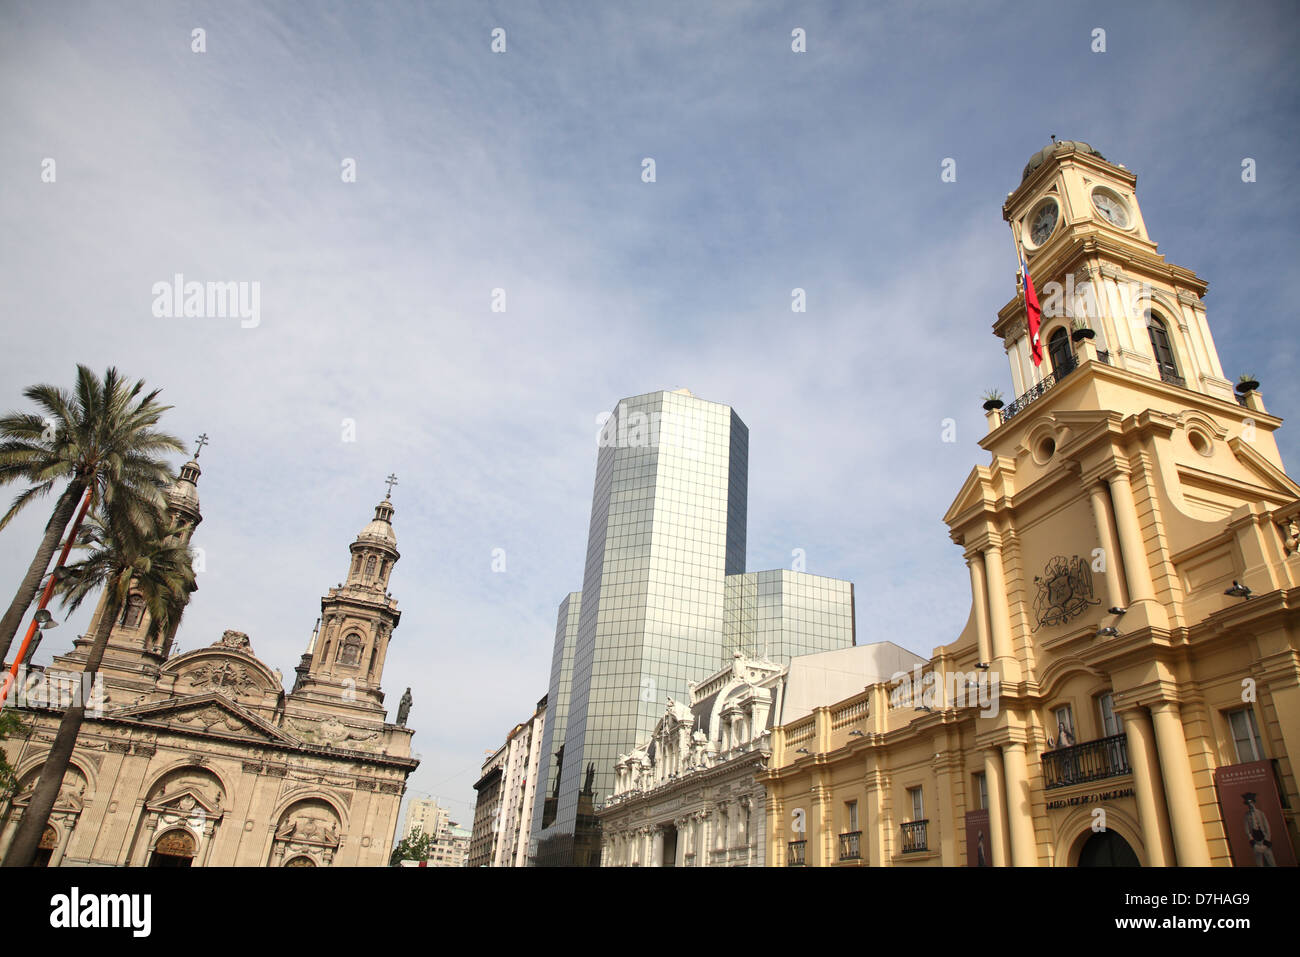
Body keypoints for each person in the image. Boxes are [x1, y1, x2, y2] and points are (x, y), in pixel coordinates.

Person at [1242, 792, 1275, 866]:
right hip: (1256, 840)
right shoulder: (1246, 816)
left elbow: (1267, 828)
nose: (1250, 804)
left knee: (1271, 861)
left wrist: (1267, 841)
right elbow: (1247, 830)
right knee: (1259, 863)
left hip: (1264, 839)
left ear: (1254, 802)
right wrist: (1253, 842)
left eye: (1251, 802)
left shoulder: (1261, 813)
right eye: (1248, 803)